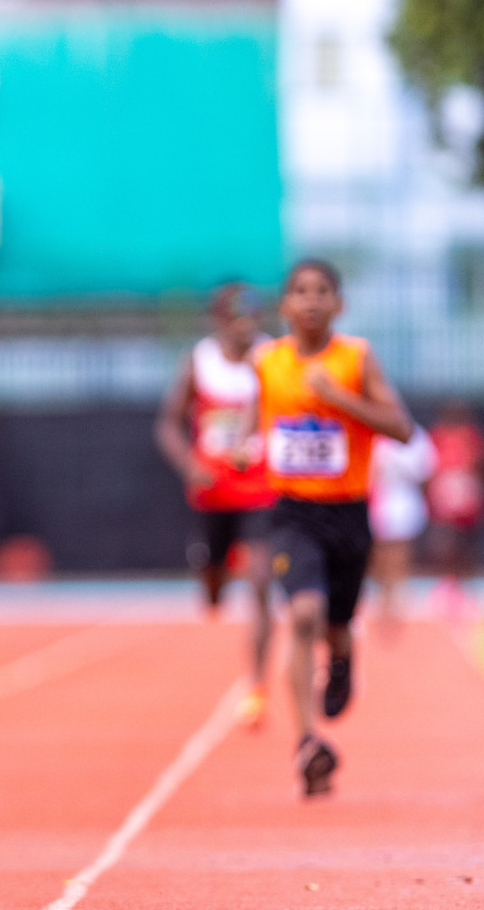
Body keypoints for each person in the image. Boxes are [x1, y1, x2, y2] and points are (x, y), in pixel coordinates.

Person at [251, 259, 412, 797]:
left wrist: (339, 398)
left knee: (336, 623)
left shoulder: (356, 358)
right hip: (293, 511)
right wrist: (241, 446)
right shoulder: (267, 361)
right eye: (300, 291)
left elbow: (403, 429)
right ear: (285, 306)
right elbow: (258, 422)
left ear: (339, 304)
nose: (312, 300)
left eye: (323, 291)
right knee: (302, 614)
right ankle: (307, 741)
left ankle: (342, 657)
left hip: (347, 512)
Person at [155, 283, 276, 727]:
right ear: (218, 320)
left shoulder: (273, 361)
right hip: (212, 490)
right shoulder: (198, 363)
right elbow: (167, 423)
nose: (245, 326)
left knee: (262, 581)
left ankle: (257, 685)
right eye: (236, 317)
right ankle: (212, 572)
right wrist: (189, 465)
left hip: (261, 486)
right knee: (212, 587)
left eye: (252, 316)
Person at [368, 425, 436, 628]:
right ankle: (382, 597)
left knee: (399, 554)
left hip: (401, 503)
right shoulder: (372, 432)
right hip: (375, 501)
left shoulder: (414, 436)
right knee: (377, 556)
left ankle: (397, 598)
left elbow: (425, 472)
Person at [426, 400, 484, 618]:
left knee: (465, 544)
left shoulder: (470, 435)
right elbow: (431, 464)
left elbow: (477, 464)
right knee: (444, 542)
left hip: (465, 494)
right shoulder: (439, 434)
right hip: (445, 493)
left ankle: (464, 587)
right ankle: (446, 585)